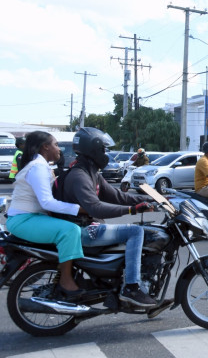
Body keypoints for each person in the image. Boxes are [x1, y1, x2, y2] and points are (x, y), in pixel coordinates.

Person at [56, 127, 157, 308]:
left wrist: (153, 198)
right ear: (93, 150)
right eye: (103, 150)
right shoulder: (80, 175)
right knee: (135, 231)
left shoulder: (91, 172)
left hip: (89, 226)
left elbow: (117, 196)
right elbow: (95, 207)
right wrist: (133, 210)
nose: (106, 154)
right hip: (83, 230)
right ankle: (132, 288)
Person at [5, 131, 85, 297]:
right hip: (24, 219)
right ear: (45, 147)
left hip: (31, 217)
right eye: (56, 145)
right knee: (70, 231)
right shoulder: (38, 167)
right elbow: (47, 202)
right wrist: (78, 208)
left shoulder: (41, 165)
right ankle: (66, 280)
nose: (58, 149)